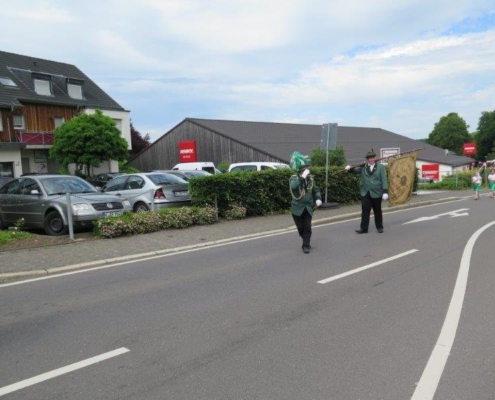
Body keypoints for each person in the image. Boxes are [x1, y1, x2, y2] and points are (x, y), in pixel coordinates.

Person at [345, 150, 388, 233]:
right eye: (368, 158)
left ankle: (379, 227)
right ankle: (364, 228)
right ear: (367, 159)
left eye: (371, 158)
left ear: (374, 158)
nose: (370, 159)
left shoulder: (380, 167)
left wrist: (385, 191)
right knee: (365, 210)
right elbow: (355, 171)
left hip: (376, 192)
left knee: (377, 210)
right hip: (365, 192)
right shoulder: (363, 167)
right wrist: (349, 169)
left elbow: (384, 180)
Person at [289, 153, 322, 254]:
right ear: (300, 171)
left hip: (308, 207)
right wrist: (302, 177)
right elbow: (294, 187)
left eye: (307, 169)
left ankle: (306, 245)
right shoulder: (293, 178)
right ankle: (305, 240)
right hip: (297, 208)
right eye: (304, 170)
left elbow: (316, 190)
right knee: (301, 228)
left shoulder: (311, 179)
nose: (307, 171)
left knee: (307, 227)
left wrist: (318, 198)